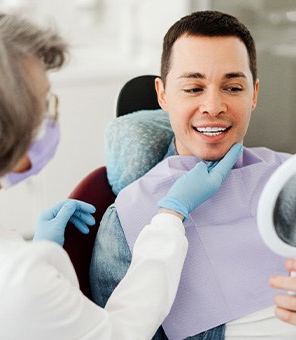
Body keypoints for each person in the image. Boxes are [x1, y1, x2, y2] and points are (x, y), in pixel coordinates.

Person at [0, 1, 242, 339]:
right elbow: (119, 333)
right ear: (2, 130)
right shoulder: (14, 277)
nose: (212, 106)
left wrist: (39, 253)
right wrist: (170, 214)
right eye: (45, 105)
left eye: (234, 86)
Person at [90, 10, 296, 340]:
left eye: (232, 87)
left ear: (253, 94)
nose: (213, 105)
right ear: (163, 95)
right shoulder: (127, 221)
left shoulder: (289, 181)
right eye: (193, 88)